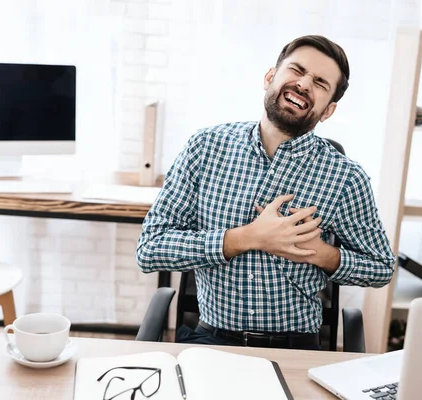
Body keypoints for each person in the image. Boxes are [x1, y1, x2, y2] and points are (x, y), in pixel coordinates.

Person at [136, 34, 395, 350]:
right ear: (270, 77)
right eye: (296, 70)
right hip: (212, 341)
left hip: (295, 346)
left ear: (328, 110)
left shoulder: (346, 177)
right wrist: (248, 238)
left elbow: (381, 268)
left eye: (319, 83)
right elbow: (150, 249)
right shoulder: (204, 148)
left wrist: (321, 253)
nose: (303, 84)